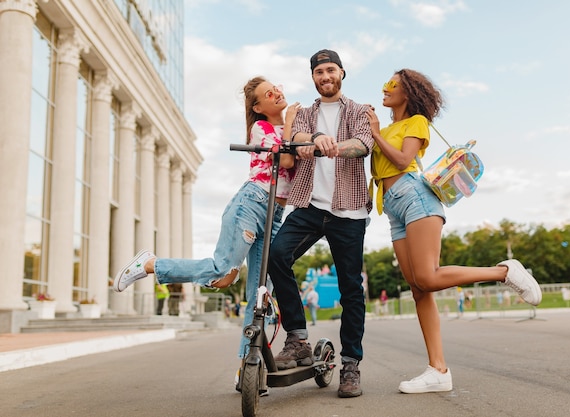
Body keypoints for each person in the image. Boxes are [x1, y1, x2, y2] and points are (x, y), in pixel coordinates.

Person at [366, 68, 542, 394]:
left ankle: (503, 271)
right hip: (393, 209)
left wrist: (376, 134)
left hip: (416, 198)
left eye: (394, 84)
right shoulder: (388, 126)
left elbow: (404, 161)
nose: (385, 88)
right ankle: (438, 370)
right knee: (419, 289)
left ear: (409, 92)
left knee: (429, 277)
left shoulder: (415, 122)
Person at [112, 76, 299, 363]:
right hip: (252, 204)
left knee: (260, 293)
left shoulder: (291, 130)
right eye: (268, 93)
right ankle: (150, 264)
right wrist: (290, 122)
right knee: (222, 273)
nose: (276, 94)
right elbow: (285, 161)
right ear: (259, 107)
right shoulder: (260, 130)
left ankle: (248, 361)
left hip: (275, 215)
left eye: (277, 88)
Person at [268, 49, 373, 398]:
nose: (325, 76)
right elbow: (295, 141)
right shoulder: (305, 114)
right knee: (276, 255)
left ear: (342, 72)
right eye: (318, 72)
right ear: (313, 77)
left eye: (330, 70)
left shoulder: (360, 111)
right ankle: (297, 337)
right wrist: (314, 139)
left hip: (350, 210)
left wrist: (335, 146)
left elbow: (362, 145)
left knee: (351, 291)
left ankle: (351, 365)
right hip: (310, 204)